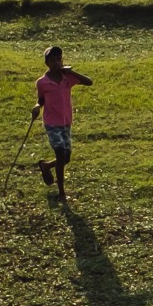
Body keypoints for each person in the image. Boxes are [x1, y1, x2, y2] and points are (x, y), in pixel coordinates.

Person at [33, 46, 93, 202]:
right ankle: (61, 192)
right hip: (52, 123)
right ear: (46, 62)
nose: (56, 62)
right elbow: (41, 99)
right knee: (60, 153)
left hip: (66, 122)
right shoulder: (42, 82)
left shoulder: (67, 79)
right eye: (52, 60)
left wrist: (70, 71)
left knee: (66, 158)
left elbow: (89, 82)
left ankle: (46, 166)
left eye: (59, 59)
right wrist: (38, 106)